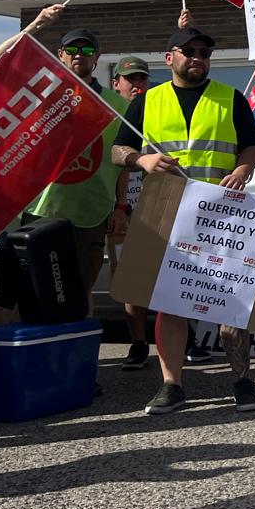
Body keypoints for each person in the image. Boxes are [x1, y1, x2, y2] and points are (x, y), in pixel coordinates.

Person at [112, 19, 255, 416]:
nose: (198, 58)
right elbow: (117, 151)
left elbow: (251, 147)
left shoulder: (231, 98)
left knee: (230, 306)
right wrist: (141, 158)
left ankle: (242, 381)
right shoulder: (147, 101)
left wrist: (244, 170)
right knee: (171, 303)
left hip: (220, 214)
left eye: (205, 53)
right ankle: (172, 385)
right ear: (170, 58)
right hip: (166, 214)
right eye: (190, 52)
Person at [0, 9, 128, 319]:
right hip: (41, 209)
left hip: (92, 212)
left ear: (97, 58)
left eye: (87, 50)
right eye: (72, 49)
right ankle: (19, 356)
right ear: (60, 54)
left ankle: (77, 356)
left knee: (79, 292)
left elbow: (122, 159)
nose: (79, 56)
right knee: (27, 291)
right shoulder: (41, 91)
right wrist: (36, 26)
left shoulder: (116, 105)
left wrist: (120, 207)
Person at [108, 55, 155, 369]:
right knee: (129, 281)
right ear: (117, 84)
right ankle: (138, 343)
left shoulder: (156, 112)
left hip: (157, 208)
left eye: (142, 79)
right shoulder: (110, 115)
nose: (137, 85)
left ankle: (176, 340)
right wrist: (120, 208)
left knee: (165, 279)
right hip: (122, 210)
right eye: (130, 80)